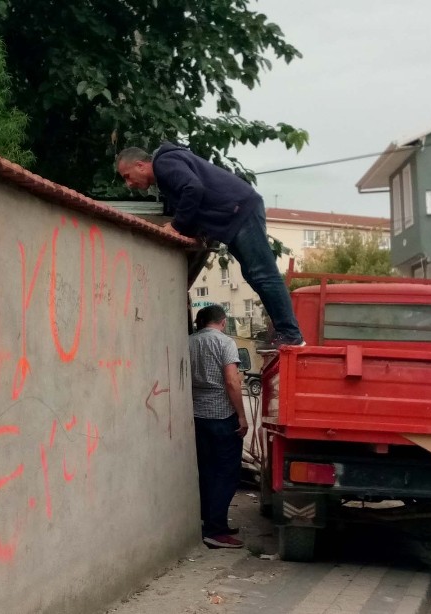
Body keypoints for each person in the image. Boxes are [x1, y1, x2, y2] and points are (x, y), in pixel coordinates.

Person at [116, 144, 304, 346]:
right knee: (254, 276)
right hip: (235, 215)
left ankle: (290, 334)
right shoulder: (167, 172)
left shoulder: (164, 164)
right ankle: (285, 333)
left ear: (140, 165)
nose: (128, 184)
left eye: (127, 176)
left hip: (240, 211)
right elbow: (198, 199)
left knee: (263, 273)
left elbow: (193, 188)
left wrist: (177, 226)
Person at [189, 304, 249, 549]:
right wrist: (242, 416)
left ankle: (211, 523)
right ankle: (216, 530)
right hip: (222, 417)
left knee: (206, 471)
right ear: (222, 322)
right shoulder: (225, 343)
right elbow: (231, 381)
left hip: (195, 414)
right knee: (227, 473)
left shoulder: (188, 342)